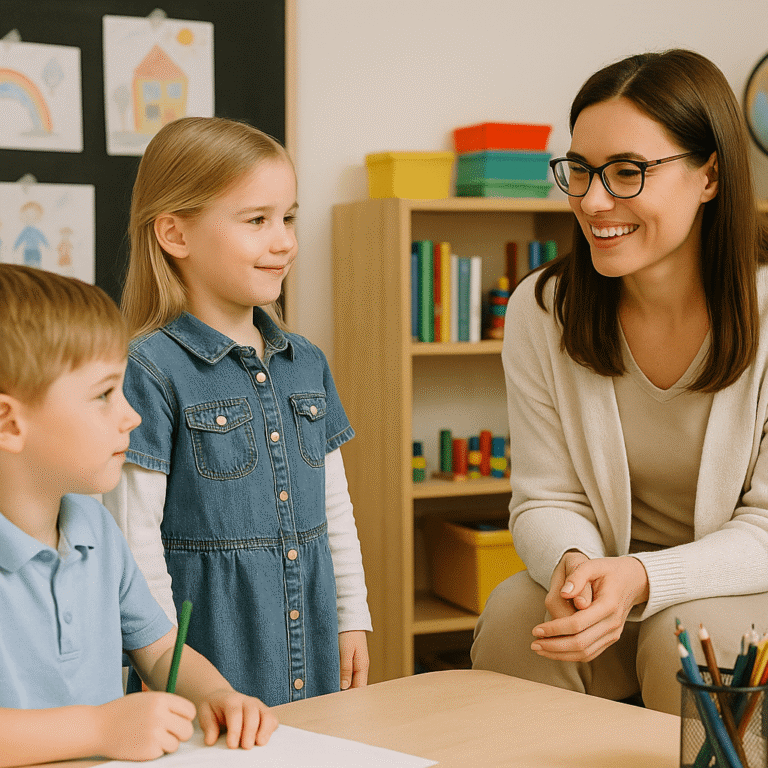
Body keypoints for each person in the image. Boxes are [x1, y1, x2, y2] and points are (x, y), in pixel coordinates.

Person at [471, 49, 768, 715]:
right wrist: (576, 566)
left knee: (684, 637)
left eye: (627, 172)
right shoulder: (542, 310)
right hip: (615, 578)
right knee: (519, 613)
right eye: (578, 172)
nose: (594, 201)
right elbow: (544, 497)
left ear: (710, 175)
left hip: (749, 586)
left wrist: (641, 579)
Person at [103, 116, 371, 707]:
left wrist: (354, 616)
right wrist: (167, 669)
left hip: (314, 647)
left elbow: (335, 510)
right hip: (204, 667)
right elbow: (134, 541)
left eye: (289, 217)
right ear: (175, 233)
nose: (285, 241)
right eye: (257, 221)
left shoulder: (306, 363)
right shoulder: (147, 369)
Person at [0, 265, 277, 767]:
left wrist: (214, 694)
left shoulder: (96, 528)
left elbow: (159, 650)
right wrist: (99, 728)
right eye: (104, 394)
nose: (131, 416)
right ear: (9, 422)